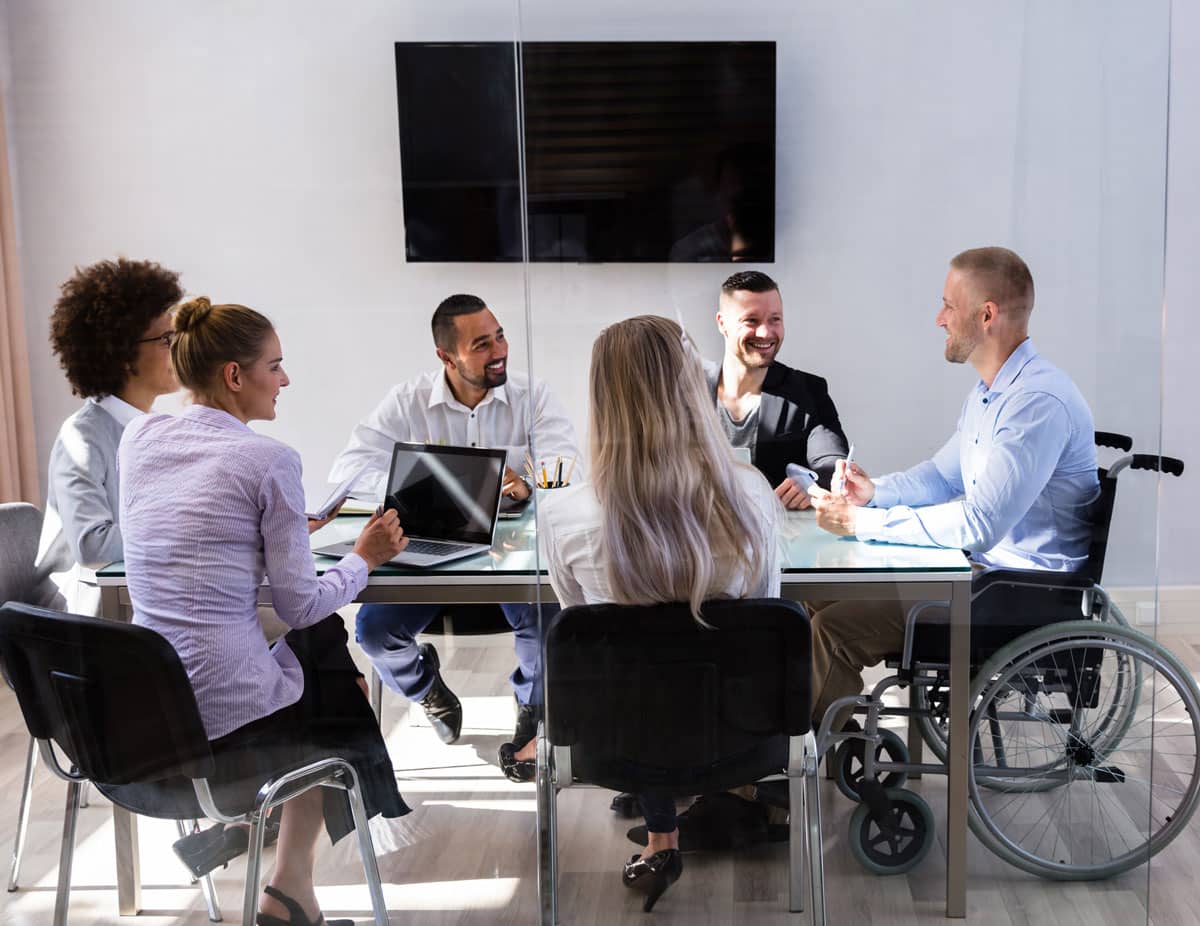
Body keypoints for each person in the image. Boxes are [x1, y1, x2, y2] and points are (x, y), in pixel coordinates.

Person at [117, 297, 409, 926]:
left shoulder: (140, 435)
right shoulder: (269, 460)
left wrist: (271, 534)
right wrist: (366, 556)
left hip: (145, 713)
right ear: (233, 375)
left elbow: (187, 531)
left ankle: (275, 867)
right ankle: (289, 881)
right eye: (274, 366)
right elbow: (300, 605)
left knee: (326, 659)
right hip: (223, 723)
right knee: (332, 661)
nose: (285, 379)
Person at [538, 315, 782, 912]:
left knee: (638, 682)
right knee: (681, 679)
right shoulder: (751, 497)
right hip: (741, 737)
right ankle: (671, 830)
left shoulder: (565, 516)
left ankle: (660, 835)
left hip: (615, 740)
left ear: (602, 396)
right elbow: (769, 614)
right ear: (688, 392)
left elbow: (582, 635)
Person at [807, 246, 1100, 727]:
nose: (938, 318)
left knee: (832, 630)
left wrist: (862, 523)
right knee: (813, 597)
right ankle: (809, 736)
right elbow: (943, 476)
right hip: (982, 579)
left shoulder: (1035, 403)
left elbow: (980, 525)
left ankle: (791, 773)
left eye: (948, 304)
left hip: (1012, 596)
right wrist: (873, 492)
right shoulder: (992, 392)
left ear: (986, 315)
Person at [329, 293, 579, 776]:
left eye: (500, 335)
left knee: (547, 620)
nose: (499, 350)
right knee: (374, 632)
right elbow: (350, 470)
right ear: (447, 357)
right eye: (482, 344)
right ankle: (428, 691)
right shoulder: (407, 401)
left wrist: (529, 483)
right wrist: (425, 489)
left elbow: (566, 468)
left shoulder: (533, 396)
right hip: (431, 547)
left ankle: (531, 704)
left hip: (511, 553)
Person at [37, 258, 183, 614]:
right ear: (121, 354)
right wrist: (189, 530)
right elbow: (93, 546)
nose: (179, 347)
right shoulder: (81, 438)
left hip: (137, 602)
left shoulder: (156, 429)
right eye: (167, 338)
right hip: (85, 621)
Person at [704, 270, 850, 510]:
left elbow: (831, 463)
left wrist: (812, 484)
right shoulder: (686, 392)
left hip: (782, 537)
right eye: (751, 320)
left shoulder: (808, 391)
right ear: (722, 323)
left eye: (775, 319)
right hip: (698, 537)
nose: (765, 332)